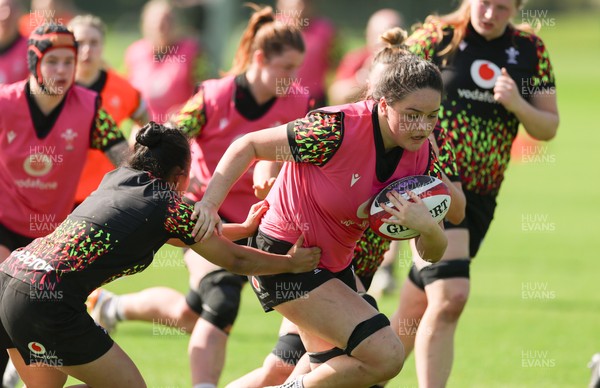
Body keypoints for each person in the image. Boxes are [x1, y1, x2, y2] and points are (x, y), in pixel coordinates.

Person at [192, 26, 449, 386]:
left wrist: (428, 226)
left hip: (333, 268)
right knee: (385, 354)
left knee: (335, 372)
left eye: (432, 116)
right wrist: (208, 204)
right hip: (284, 258)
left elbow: (434, 253)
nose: (422, 126)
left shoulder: (420, 155)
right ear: (384, 103)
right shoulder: (336, 129)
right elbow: (247, 145)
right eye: (412, 114)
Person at [87, 5, 311, 388]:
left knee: (194, 312)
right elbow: (169, 141)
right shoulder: (214, 96)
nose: (292, 79)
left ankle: (112, 306)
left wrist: (273, 171)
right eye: (286, 68)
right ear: (259, 59)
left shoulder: (296, 102)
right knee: (221, 297)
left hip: (267, 222)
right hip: (210, 218)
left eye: (296, 69)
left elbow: (298, 158)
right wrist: (181, 186)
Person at [0, 121, 320, 387]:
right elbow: (236, 260)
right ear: (180, 175)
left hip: (12, 277)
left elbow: (188, 235)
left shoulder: (116, 179)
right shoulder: (165, 203)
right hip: (46, 297)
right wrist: (291, 264)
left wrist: (246, 228)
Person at [390, 0, 559, 386]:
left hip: (483, 193)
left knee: (420, 304)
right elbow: (385, 93)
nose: (489, 14)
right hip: (431, 181)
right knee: (451, 296)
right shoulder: (438, 38)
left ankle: (362, 376)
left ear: (517, 7)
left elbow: (548, 126)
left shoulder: (530, 50)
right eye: (484, 3)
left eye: (502, 7)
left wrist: (517, 103)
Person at [68, 14, 148, 206]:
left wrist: (134, 147)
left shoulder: (121, 88)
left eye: (94, 42)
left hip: (105, 192)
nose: (87, 49)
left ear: (102, 46)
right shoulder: (56, 88)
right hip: (61, 191)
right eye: (79, 42)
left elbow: (145, 120)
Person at [124, 0, 200, 123]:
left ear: (178, 23)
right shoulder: (135, 53)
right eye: (156, 23)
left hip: (181, 131)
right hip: (144, 131)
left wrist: (182, 117)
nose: (162, 28)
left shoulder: (192, 51)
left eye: (168, 21)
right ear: (145, 25)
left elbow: (205, 95)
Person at [328, 8, 403, 106]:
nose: (388, 41)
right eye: (382, 34)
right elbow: (337, 96)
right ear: (368, 35)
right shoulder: (358, 59)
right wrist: (365, 77)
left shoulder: (412, 61)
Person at [276, 0, 335, 107]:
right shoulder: (273, 29)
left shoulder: (325, 30)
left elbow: (334, 62)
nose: (301, 7)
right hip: (279, 97)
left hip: (314, 98)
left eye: (306, 3)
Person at [0, 0, 28, 84]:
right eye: (2, 10)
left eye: (11, 10)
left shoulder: (30, 48)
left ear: (19, 14)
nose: (6, 15)